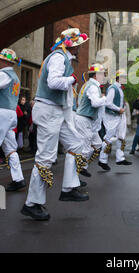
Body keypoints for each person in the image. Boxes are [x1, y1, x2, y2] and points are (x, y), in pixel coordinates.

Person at [21, 28, 89, 221]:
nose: (80, 48)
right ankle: (32, 203)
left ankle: (68, 188)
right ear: (71, 45)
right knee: (45, 158)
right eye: (78, 45)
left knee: (76, 145)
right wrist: (72, 79)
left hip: (57, 111)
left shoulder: (64, 59)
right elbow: (53, 82)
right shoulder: (59, 58)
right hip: (49, 111)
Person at [0, 48, 26, 192]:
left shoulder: (3, 74)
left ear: (4, 61)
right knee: (10, 148)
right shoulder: (15, 76)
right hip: (11, 113)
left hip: (1, 112)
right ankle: (18, 179)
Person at [75, 64, 107, 177]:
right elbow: (95, 103)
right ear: (96, 75)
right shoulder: (93, 86)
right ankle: (77, 173)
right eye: (102, 74)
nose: (104, 77)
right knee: (85, 149)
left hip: (87, 120)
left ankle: (81, 168)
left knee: (98, 145)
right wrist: (104, 98)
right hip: (84, 119)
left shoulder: (89, 85)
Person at [99, 69, 132, 170]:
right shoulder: (113, 88)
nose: (125, 79)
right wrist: (119, 109)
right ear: (119, 78)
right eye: (124, 77)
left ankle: (120, 158)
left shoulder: (120, 89)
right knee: (108, 137)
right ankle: (102, 160)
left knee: (121, 136)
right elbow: (108, 103)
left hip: (119, 115)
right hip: (112, 115)